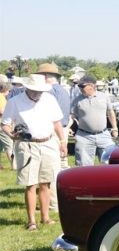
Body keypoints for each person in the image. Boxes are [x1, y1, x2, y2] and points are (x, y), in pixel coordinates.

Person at [1, 74, 67, 231]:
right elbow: (5, 124)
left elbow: (57, 123)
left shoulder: (50, 99)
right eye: (34, 90)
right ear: (27, 88)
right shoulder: (14, 102)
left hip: (48, 143)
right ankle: (31, 221)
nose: (37, 93)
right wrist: (11, 134)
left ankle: (45, 217)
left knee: (46, 182)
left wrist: (62, 142)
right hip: (27, 145)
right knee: (30, 184)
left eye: (40, 91)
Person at [34, 63, 71, 213]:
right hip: (62, 129)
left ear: (46, 78)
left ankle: (53, 205)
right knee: (61, 168)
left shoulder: (48, 93)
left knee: (52, 172)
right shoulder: (63, 91)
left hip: (53, 132)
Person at [70, 74, 118, 166]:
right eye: (78, 85)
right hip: (84, 136)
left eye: (82, 86)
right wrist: (67, 127)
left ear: (91, 86)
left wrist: (115, 128)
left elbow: (110, 113)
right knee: (84, 166)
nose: (79, 88)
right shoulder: (77, 100)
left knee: (109, 162)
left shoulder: (104, 97)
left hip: (103, 135)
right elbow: (71, 116)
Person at [0, 80, 13, 169]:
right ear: (7, 89)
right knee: (9, 145)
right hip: (2, 126)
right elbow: (2, 111)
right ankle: (14, 165)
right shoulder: (1, 97)